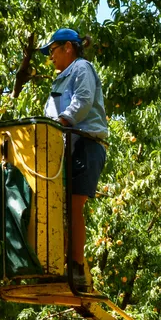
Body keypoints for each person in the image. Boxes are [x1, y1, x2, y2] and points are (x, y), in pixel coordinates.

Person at [40, 27, 108, 291]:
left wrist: (58, 123)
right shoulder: (61, 78)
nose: (51, 57)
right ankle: (57, 262)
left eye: (53, 51)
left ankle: (76, 267)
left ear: (68, 47)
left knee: (73, 204)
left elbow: (82, 102)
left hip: (86, 143)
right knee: (56, 204)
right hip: (66, 145)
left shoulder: (82, 68)